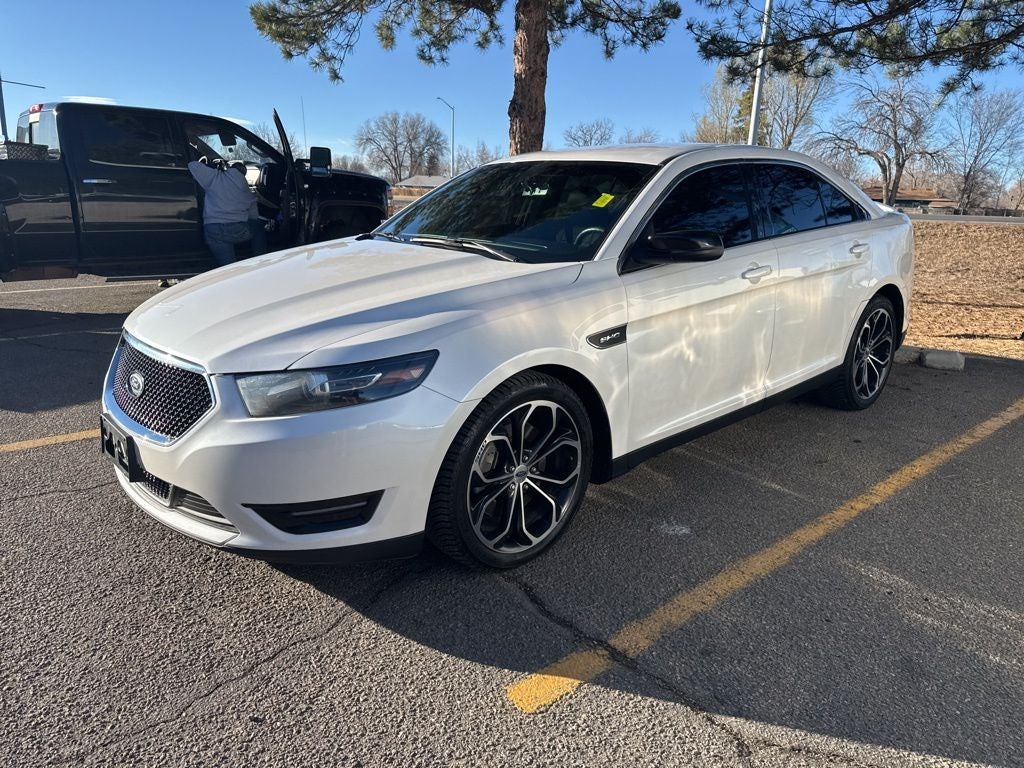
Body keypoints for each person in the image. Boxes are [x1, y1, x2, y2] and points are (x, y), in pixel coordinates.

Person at [187, 157, 268, 266]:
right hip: (237, 230)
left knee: (228, 266)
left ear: (229, 168)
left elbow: (192, 165)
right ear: (243, 174)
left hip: (213, 230)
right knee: (258, 229)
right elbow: (253, 216)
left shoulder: (214, 177)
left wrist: (209, 167)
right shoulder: (246, 190)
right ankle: (261, 262)